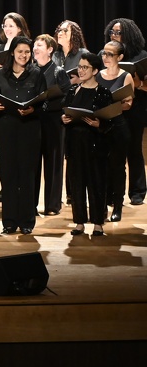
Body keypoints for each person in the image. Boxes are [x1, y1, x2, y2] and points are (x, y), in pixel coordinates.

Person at [0, 36, 46, 234]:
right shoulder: (0, 74)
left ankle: (27, 221)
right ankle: (9, 222)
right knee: (8, 175)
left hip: (29, 128)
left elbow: (44, 102)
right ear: (12, 52)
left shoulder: (36, 74)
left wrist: (33, 110)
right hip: (6, 129)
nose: (24, 55)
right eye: (20, 51)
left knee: (27, 175)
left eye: (27, 52)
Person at [63, 50, 116, 238]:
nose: (81, 70)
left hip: (95, 144)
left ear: (94, 71)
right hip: (75, 144)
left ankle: (98, 223)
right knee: (77, 183)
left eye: (85, 67)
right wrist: (65, 118)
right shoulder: (73, 90)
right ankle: (79, 222)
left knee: (96, 183)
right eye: (80, 67)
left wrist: (99, 123)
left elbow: (111, 120)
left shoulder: (103, 93)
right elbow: (66, 111)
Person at [104, 18, 146, 207]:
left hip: (135, 109)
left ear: (129, 34)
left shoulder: (140, 56)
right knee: (113, 153)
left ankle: (137, 192)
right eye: (112, 32)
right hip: (112, 109)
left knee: (134, 150)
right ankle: (114, 192)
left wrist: (139, 84)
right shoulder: (106, 54)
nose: (114, 35)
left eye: (118, 32)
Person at [95, 38, 135, 223]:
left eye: (110, 54)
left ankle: (117, 206)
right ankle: (101, 206)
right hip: (100, 127)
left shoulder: (125, 76)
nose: (105, 57)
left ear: (120, 57)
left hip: (118, 127)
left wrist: (112, 104)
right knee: (100, 168)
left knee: (117, 167)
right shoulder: (98, 75)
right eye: (104, 53)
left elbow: (128, 104)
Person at [33, 34, 69, 217]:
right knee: (32, 165)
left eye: (40, 45)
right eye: (35, 45)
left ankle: (52, 205)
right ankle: (30, 204)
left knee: (53, 163)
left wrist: (50, 101)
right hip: (33, 121)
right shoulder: (29, 70)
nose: (35, 48)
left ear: (49, 50)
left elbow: (67, 96)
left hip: (54, 122)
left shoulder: (58, 71)